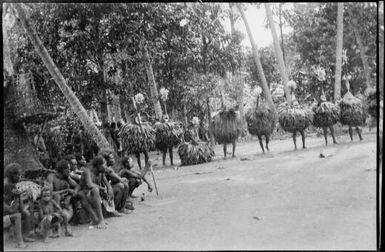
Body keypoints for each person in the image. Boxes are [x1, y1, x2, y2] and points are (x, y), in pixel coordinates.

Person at [4, 163, 35, 248]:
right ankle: (20, 242)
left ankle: (25, 235)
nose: (20, 176)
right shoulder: (7, 186)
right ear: (11, 175)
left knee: (26, 213)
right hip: (5, 215)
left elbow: (18, 198)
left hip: (10, 212)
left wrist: (22, 210)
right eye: (18, 174)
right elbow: (18, 194)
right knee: (17, 216)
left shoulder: (12, 185)